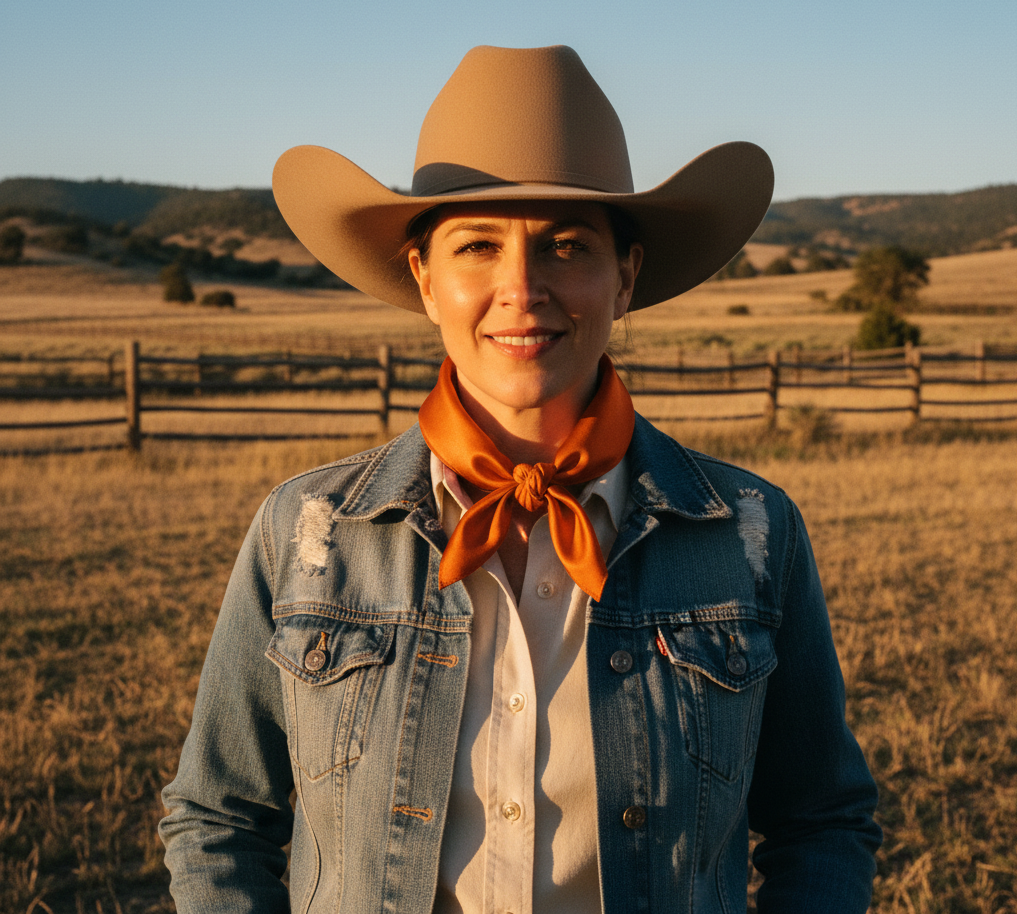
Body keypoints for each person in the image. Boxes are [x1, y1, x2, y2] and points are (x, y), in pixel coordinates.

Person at [159, 45, 881, 913]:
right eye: (476, 246)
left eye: (567, 245)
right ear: (424, 280)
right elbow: (217, 818)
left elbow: (822, 820)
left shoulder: (749, 533)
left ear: (627, 277)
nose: (521, 288)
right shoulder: (308, 533)